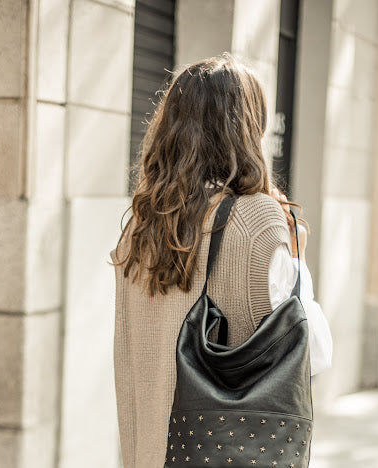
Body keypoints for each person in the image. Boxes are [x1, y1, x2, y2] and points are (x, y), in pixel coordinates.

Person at [109, 52, 332, 468]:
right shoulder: (259, 219)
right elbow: (314, 354)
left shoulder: (140, 226)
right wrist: (297, 253)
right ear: (249, 129)